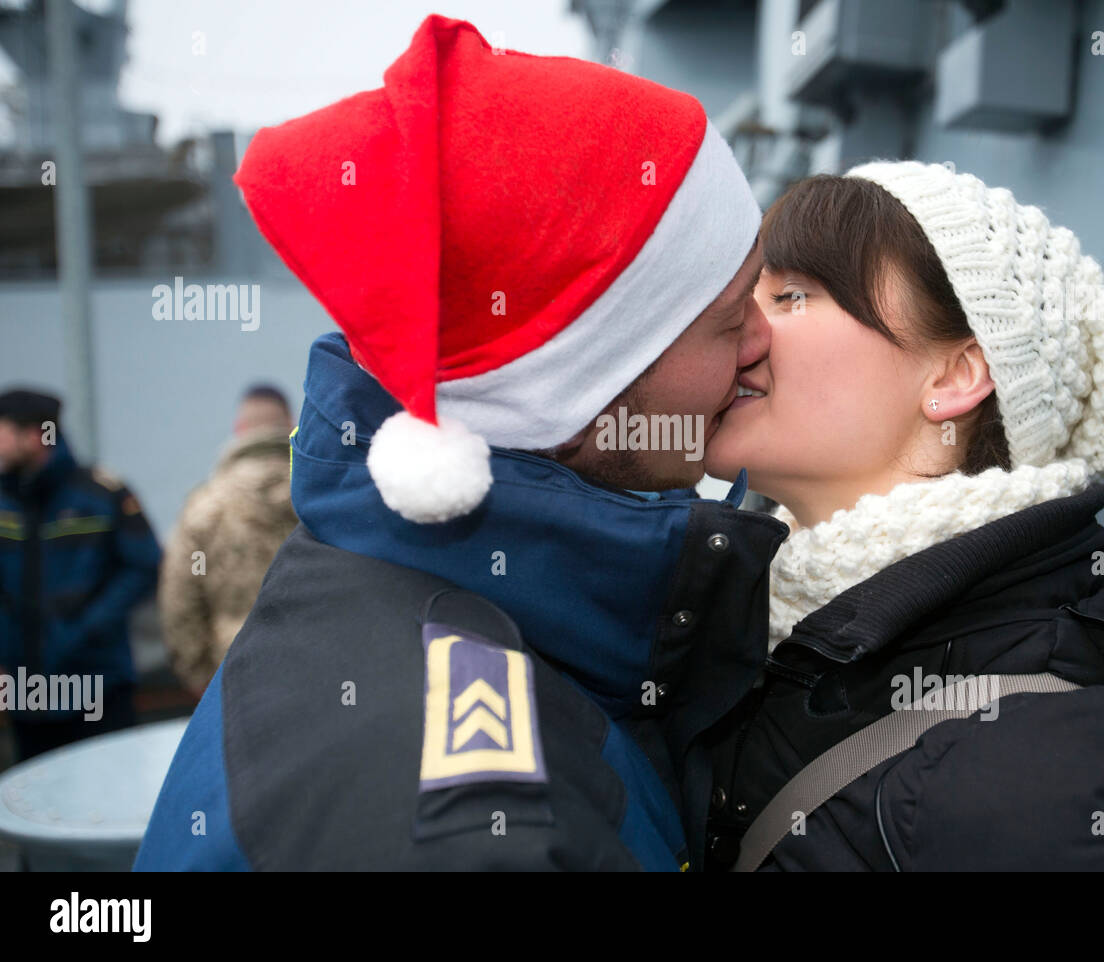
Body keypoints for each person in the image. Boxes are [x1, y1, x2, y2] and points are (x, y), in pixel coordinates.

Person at [134, 15, 787, 871]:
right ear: (578, 386)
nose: (763, 344)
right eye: (731, 317)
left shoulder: (401, 595)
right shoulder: (474, 824)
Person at [703, 166, 1104, 872]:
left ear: (956, 377)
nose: (743, 321)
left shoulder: (1044, 772)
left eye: (793, 294)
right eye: (752, 290)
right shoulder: (768, 633)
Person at [0, 388, 161, 762]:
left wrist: (85, 628)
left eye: (3, 433)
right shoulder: (4, 501)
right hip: (27, 692)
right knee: (36, 801)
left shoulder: (100, 495)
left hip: (98, 685)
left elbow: (143, 566)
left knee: (106, 794)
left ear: (34, 437)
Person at [158, 384, 297, 697]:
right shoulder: (320, 496)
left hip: (235, 675)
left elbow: (179, 601)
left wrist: (201, 678)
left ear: (240, 429)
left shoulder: (206, 506)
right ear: (291, 424)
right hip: (314, 671)